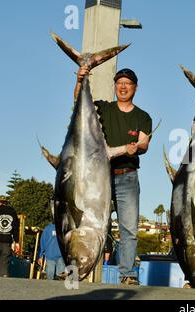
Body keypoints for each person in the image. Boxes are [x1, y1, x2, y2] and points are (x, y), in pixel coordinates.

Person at [76, 67, 153, 285]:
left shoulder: (143, 117)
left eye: (127, 83)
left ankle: (127, 274)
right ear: (115, 86)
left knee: (129, 228)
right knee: (89, 224)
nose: (123, 87)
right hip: (99, 177)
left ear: (135, 88)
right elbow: (79, 103)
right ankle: (77, 270)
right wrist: (81, 78)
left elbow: (144, 143)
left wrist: (136, 147)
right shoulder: (103, 108)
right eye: (119, 82)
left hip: (127, 177)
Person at [0, 196, 20, 277]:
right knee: (4, 263)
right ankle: (4, 277)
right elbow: (15, 227)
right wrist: (17, 242)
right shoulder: (12, 211)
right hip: (7, 242)